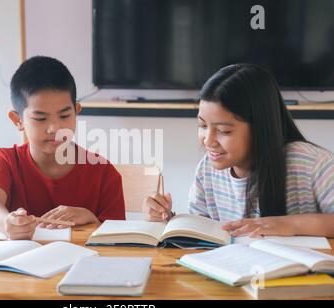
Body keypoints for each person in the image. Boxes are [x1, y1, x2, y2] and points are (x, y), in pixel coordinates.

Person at [142, 63, 334, 238]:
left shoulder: (313, 164)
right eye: (202, 125)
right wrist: (166, 220)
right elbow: (199, 232)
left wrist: (290, 225)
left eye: (224, 131)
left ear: (260, 127)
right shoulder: (207, 170)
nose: (208, 141)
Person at [0, 56, 125, 240]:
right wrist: (6, 222)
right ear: (18, 120)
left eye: (64, 116)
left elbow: (119, 243)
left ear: (77, 111)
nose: (55, 128)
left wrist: (92, 219)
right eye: (40, 119)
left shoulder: (103, 172)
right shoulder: (6, 160)